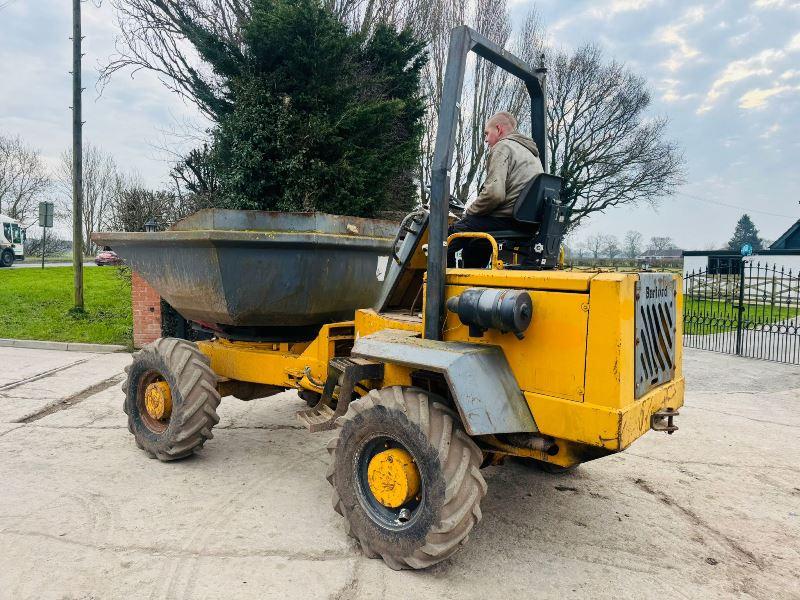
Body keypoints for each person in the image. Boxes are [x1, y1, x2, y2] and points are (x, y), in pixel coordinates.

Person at [447, 111, 543, 267]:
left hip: (507, 219)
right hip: (527, 223)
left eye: (487, 133)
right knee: (476, 243)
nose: (485, 139)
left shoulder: (502, 147)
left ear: (498, 129)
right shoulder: (531, 154)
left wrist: (469, 212)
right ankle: (472, 283)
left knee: (451, 236)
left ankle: (437, 286)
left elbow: (494, 194)